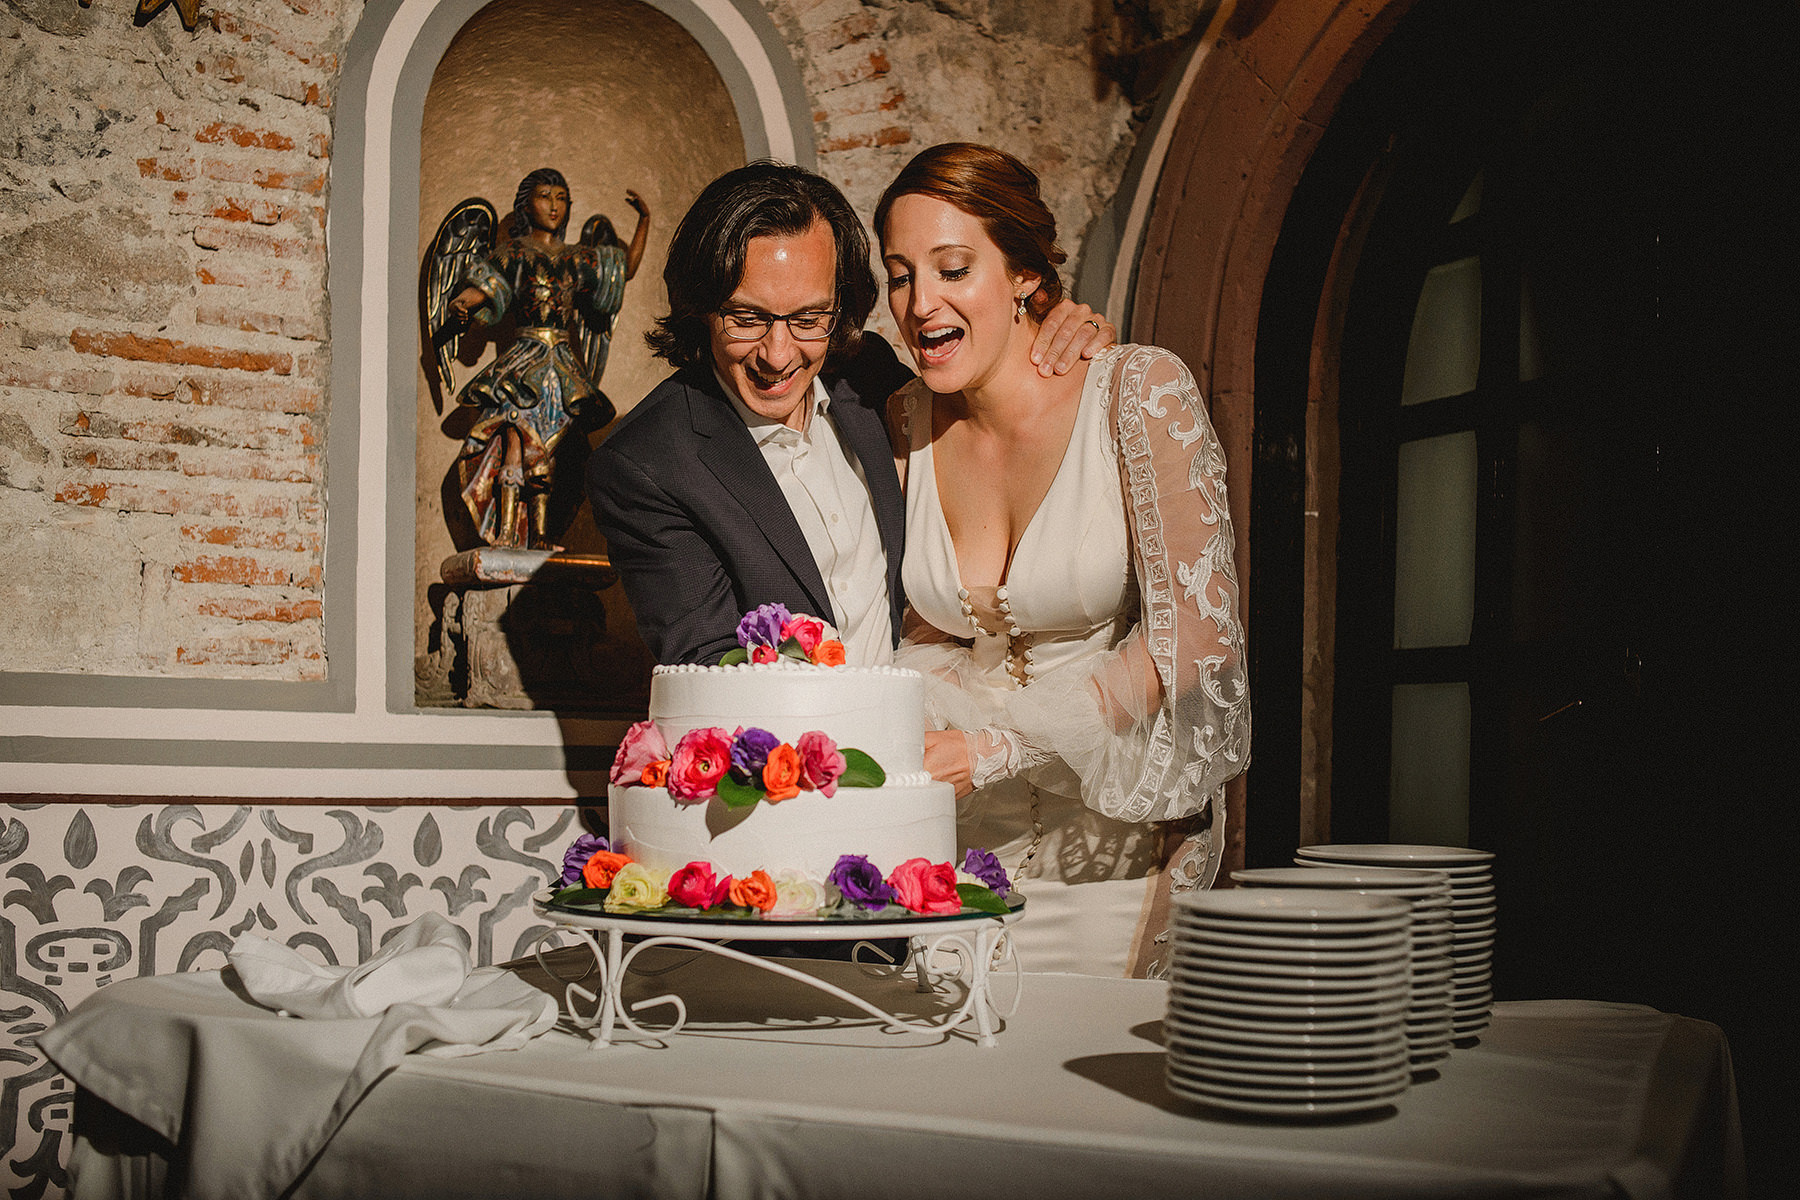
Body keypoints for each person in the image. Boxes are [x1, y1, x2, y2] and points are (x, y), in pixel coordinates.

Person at [875, 143, 1251, 977]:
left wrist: (1002, 750)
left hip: (1114, 842)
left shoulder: (1137, 393)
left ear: (1022, 274)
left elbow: (1196, 635)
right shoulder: (901, 423)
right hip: (955, 845)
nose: (918, 302)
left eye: (953, 268)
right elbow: (920, 632)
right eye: (899, 275)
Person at [587, 161, 1111, 667]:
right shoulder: (647, 465)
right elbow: (713, 671)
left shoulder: (871, 379)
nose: (778, 353)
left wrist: (1059, 328)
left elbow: (991, 377)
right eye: (745, 318)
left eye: (810, 317)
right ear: (701, 305)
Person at [443, 168, 651, 548]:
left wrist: (645, 221)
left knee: (548, 452)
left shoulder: (578, 258)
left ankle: (540, 535)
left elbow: (625, 270)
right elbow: (481, 289)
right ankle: (505, 533)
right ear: (527, 205)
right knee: (514, 444)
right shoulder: (515, 253)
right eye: (544, 196)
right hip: (523, 364)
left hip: (561, 369)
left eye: (561, 197)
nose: (554, 206)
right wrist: (461, 305)